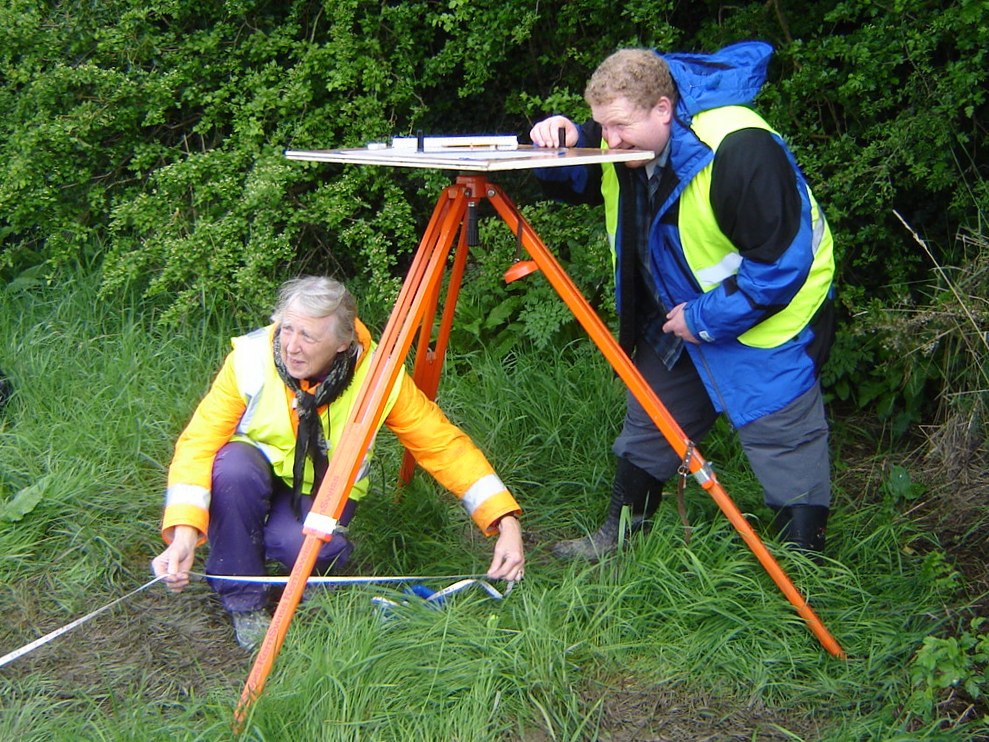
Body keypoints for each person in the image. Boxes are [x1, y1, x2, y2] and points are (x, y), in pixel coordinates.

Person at [528, 41, 835, 560]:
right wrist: (552, 140)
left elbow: (782, 267)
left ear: (664, 110)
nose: (609, 140)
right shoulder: (623, 143)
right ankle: (618, 542)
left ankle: (805, 568)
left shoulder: (740, 149)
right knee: (650, 423)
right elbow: (576, 174)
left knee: (784, 437)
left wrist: (706, 318)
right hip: (677, 316)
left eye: (619, 126)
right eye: (600, 126)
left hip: (770, 317)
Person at [152, 276, 524, 649]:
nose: (292, 347)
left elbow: (441, 444)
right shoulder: (251, 358)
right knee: (231, 469)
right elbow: (198, 443)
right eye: (287, 329)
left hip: (327, 488)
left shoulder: (379, 376)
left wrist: (502, 519)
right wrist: (184, 531)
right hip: (254, 468)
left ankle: (286, 551)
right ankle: (244, 602)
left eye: (309, 337)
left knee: (293, 545)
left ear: (343, 342)